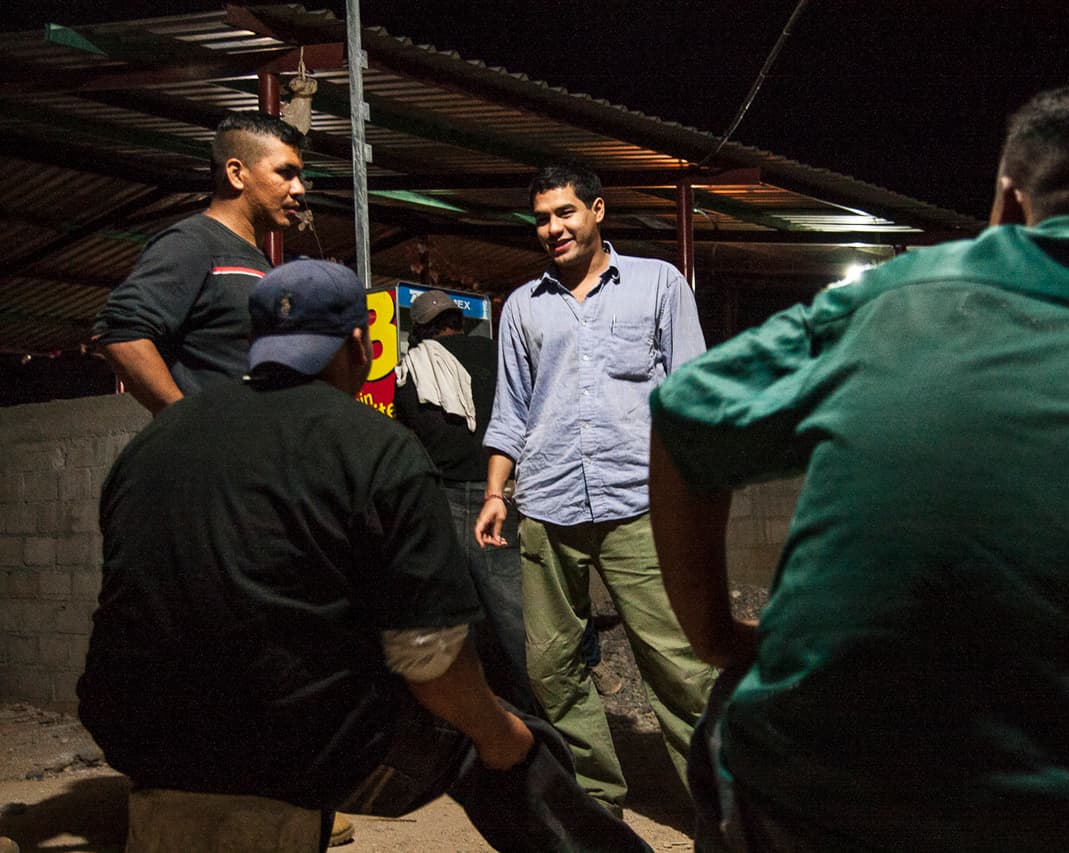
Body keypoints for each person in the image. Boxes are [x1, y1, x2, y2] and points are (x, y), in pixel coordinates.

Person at [649, 84, 1069, 853]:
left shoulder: (888, 303)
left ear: (1007, 202)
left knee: (743, 705)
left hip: (828, 808)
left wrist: (716, 635)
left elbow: (685, 416)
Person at [78, 259, 650, 853]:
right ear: (363, 345)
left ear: (255, 345)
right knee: (510, 740)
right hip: (289, 742)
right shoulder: (374, 447)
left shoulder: (156, 439)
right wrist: (499, 734)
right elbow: (430, 658)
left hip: (134, 730)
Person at [475, 161, 717, 813]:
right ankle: (594, 798)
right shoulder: (523, 307)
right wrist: (496, 491)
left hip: (640, 504)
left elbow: (689, 391)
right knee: (552, 667)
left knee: (677, 663)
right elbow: (511, 411)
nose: (553, 227)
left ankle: (725, 804)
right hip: (547, 504)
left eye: (565, 212)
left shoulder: (657, 284)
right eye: (542, 218)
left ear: (597, 210)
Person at [92, 110, 306, 414]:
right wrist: (184, 419)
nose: (299, 188)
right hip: (215, 455)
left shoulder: (258, 261)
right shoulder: (192, 244)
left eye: (299, 175)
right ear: (236, 173)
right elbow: (119, 331)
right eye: (285, 173)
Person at [394, 289, 539, 714]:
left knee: (458, 612)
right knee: (514, 609)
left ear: (420, 330)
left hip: (443, 495)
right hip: (503, 491)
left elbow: (412, 436)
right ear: (459, 321)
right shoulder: (495, 353)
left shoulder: (413, 370)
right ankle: (539, 705)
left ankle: (476, 710)